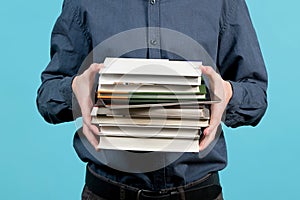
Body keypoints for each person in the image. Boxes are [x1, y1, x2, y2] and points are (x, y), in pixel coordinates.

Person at [36, 0, 268, 199]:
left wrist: (228, 93)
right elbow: (48, 96)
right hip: (105, 191)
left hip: (199, 191)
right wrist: (74, 89)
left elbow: (256, 96)